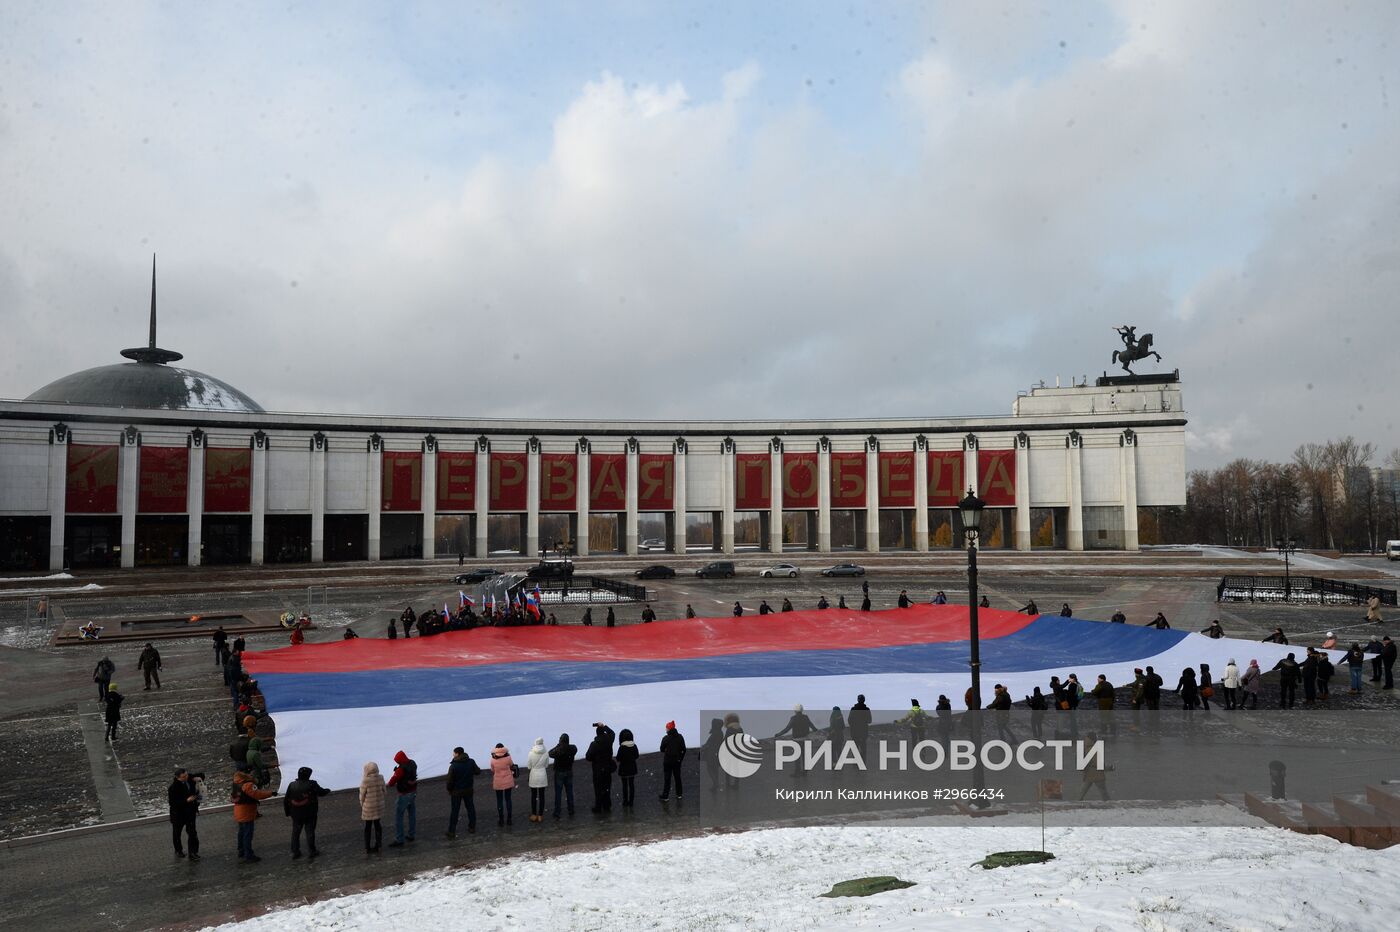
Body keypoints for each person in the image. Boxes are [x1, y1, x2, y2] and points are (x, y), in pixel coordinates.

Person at [283, 766, 330, 858]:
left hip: (296, 813)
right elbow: (321, 792)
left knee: (296, 832)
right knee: (310, 831)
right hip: (310, 813)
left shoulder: (292, 784)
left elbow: (286, 799)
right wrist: (327, 790)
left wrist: (288, 812)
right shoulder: (312, 784)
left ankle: (295, 851)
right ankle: (312, 851)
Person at [232, 769, 275, 862]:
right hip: (246, 812)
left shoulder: (235, 784)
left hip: (238, 811)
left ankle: (241, 851)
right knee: (248, 834)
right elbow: (258, 794)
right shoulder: (248, 785)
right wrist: (271, 793)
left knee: (241, 832)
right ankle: (249, 855)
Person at [445, 746, 481, 836]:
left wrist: (449, 789)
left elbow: (449, 781)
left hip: (456, 792)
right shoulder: (471, 762)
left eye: (453, 753)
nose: (453, 754)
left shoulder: (453, 766)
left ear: (457, 753)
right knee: (470, 808)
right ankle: (472, 827)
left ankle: (451, 831)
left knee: (455, 811)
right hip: (468, 790)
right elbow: (477, 772)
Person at [387, 749, 418, 846]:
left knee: (399, 817)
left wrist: (395, 774)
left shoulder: (400, 769)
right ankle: (411, 834)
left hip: (404, 794)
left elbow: (392, 782)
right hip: (413, 792)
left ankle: (399, 839)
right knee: (412, 814)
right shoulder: (413, 763)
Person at [168, 768, 201, 860]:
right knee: (177, 833)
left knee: (192, 833)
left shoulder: (189, 777)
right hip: (179, 814)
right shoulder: (173, 788)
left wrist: (197, 778)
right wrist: (186, 800)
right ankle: (178, 850)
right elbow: (173, 803)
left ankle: (193, 852)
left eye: (186, 775)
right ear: (178, 777)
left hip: (190, 812)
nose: (187, 777)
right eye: (184, 777)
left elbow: (201, 775)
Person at [586, 723, 616, 813]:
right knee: (607, 787)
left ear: (597, 734)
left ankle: (598, 806)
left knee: (598, 788)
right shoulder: (609, 740)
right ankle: (606, 805)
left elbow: (588, 757)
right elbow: (612, 733)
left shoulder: (594, 744)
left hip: (598, 769)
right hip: (607, 768)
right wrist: (604, 726)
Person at [548, 734, 577, 817]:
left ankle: (557, 811)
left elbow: (550, 753)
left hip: (559, 772)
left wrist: (558, 745)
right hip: (569, 771)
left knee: (558, 793)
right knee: (569, 792)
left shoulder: (559, 750)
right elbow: (574, 748)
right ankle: (571, 809)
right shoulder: (573, 748)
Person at [360, 761, 386, 853]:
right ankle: (379, 845)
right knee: (378, 825)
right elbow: (384, 792)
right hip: (378, 806)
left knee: (368, 827)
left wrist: (362, 804)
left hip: (369, 807)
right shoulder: (381, 778)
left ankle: (367, 847)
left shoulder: (365, 780)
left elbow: (362, 795)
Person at [1077, 732, 1109, 801]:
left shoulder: (1085, 748)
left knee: (1082, 791)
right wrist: (1108, 768)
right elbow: (1098, 763)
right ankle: (1109, 805)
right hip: (1097, 773)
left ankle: (1077, 803)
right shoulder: (1093, 749)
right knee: (1103, 791)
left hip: (1088, 773)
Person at [490, 743, 516, 826]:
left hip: (498, 781)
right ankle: (509, 819)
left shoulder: (493, 759)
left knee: (499, 800)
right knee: (508, 799)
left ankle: (501, 819)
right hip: (508, 780)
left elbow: (492, 770)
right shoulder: (508, 757)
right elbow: (512, 765)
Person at [659, 721, 686, 801]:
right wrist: (680, 759)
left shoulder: (665, 738)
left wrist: (667, 750)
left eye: (666, 728)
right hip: (677, 761)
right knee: (677, 777)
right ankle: (679, 794)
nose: (665, 729)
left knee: (667, 779)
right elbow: (683, 749)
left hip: (667, 762)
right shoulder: (680, 737)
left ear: (669, 729)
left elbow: (661, 749)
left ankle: (665, 795)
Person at [526, 737, 549, 822]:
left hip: (534, 775)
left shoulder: (531, 753)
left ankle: (534, 814)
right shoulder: (546, 753)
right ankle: (540, 815)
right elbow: (546, 765)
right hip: (542, 775)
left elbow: (529, 766)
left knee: (533, 796)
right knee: (542, 795)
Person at [616, 729, 640, 807]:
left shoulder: (622, 748)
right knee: (631, 785)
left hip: (624, 769)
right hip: (632, 768)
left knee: (625, 786)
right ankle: (631, 801)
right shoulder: (634, 746)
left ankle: (625, 801)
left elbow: (618, 758)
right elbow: (637, 756)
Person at [848, 694, 872, 762]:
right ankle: (863, 761)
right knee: (863, 747)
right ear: (864, 700)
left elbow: (849, 720)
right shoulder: (867, 709)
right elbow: (870, 720)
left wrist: (854, 725)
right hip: (863, 731)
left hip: (855, 731)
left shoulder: (853, 709)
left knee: (855, 747)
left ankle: (855, 761)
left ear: (857, 700)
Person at [701, 718, 723, 789]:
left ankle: (715, 783)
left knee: (710, 768)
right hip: (717, 753)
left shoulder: (715, 733)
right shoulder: (720, 732)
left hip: (711, 753)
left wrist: (702, 748)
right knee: (715, 768)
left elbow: (709, 743)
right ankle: (715, 784)